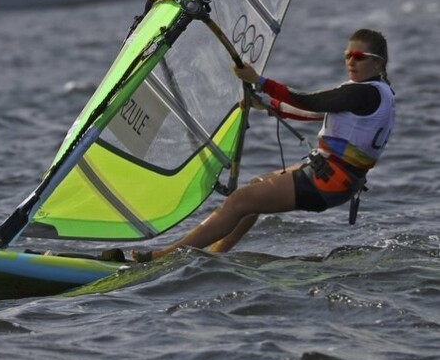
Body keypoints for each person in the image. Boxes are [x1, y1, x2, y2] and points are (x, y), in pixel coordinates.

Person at [131, 28, 395, 262]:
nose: (351, 61)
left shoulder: (363, 92)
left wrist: (259, 81)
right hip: (334, 178)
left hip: (328, 181)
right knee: (256, 187)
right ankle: (215, 254)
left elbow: (308, 102)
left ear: (378, 63)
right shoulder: (376, 93)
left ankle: (165, 257)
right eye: (347, 55)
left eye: (359, 57)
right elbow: (313, 114)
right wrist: (269, 105)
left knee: (239, 202)